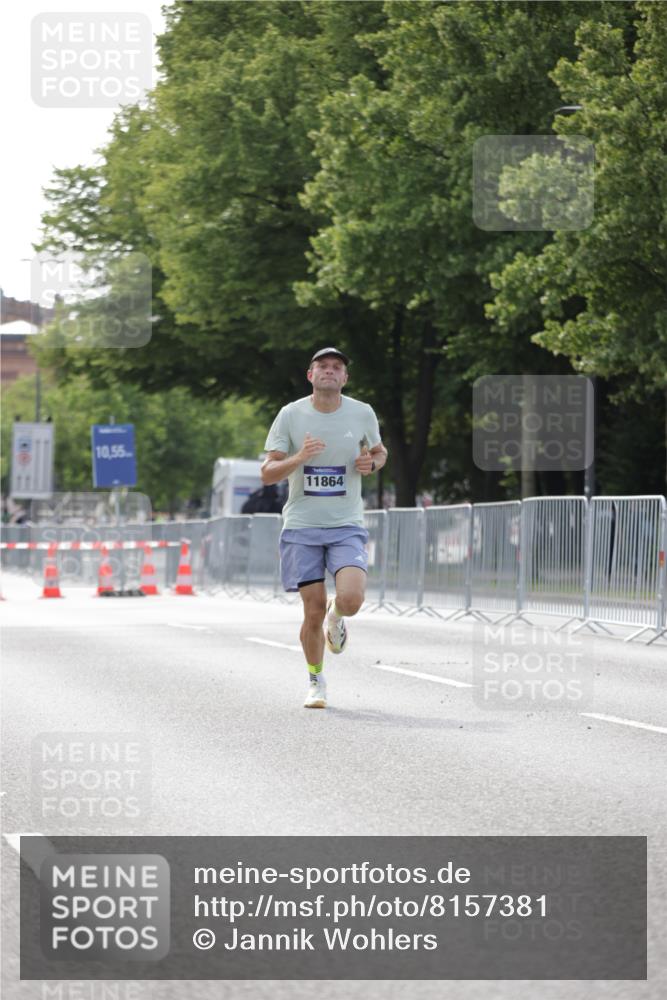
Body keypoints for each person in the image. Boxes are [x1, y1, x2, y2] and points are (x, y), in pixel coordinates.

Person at [261, 347, 388, 708]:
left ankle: (338, 617)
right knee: (311, 608)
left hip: (346, 523)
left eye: (337, 367)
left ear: (345, 378)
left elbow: (380, 452)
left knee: (351, 599)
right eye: (323, 366)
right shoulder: (290, 414)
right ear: (310, 375)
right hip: (301, 526)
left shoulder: (362, 412)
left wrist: (372, 464)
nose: (330, 371)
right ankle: (316, 680)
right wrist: (299, 457)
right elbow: (267, 473)